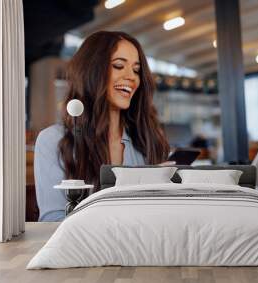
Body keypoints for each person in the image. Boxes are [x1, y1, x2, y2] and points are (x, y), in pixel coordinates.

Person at [34, 31, 171, 221]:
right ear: (91, 70)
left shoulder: (147, 141)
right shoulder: (53, 140)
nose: (131, 76)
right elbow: (53, 220)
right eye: (118, 65)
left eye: (136, 70)